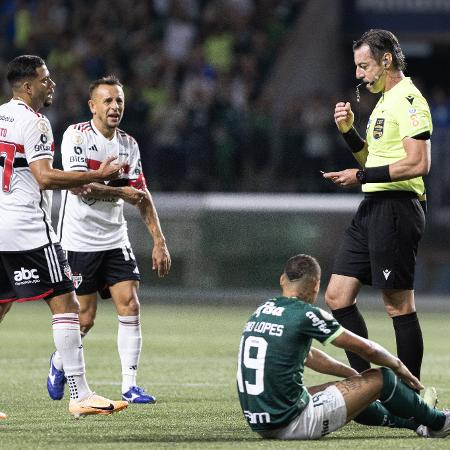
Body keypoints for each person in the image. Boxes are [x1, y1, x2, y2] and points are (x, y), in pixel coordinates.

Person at [0, 55, 129, 418]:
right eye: (45, 79)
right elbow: (45, 177)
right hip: (28, 230)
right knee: (67, 304)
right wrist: (96, 175)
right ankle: (80, 394)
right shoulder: (36, 122)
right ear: (28, 87)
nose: (51, 84)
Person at [47, 75, 171, 404]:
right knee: (84, 318)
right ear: (93, 106)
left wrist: (159, 240)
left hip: (115, 239)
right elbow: (77, 185)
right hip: (79, 241)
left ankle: (129, 384)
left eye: (119, 101)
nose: (115, 106)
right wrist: (121, 192)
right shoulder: (76, 135)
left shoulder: (129, 144)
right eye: (108, 101)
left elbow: (141, 195)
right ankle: (59, 362)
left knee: (130, 305)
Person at [237, 254, 449, 440]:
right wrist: (399, 366)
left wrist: (350, 374)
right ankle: (439, 423)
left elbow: (309, 355)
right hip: (292, 423)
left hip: (262, 421)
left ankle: (418, 424)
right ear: (316, 286)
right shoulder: (306, 314)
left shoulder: (262, 310)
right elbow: (367, 350)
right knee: (382, 378)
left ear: (282, 280)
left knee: (348, 388)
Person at [322, 29, 431, 380]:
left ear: (386, 60)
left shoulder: (409, 99)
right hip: (373, 205)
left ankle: (413, 400)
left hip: (399, 207)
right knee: (337, 297)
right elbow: (371, 161)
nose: (358, 74)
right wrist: (350, 132)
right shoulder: (383, 101)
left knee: (397, 304)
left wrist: (360, 177)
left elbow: (418, 164)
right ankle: (367, 387)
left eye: (363, 65)